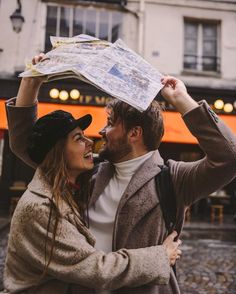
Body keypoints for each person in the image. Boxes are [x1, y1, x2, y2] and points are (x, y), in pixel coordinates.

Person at [5, 54, 236, 294]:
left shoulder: (175, 178)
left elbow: (229, 158)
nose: (101, 131)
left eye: (111, 123)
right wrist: (30, 84)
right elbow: (31, 147)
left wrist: (181, 99)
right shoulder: (90, 170)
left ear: (134, 133)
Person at [3, 107, 181, 294]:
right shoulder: (40, 207)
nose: (90, 142)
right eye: (79, 138)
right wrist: (160, 257)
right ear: (58, 150)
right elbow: (96, 269)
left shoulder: (70, 187)